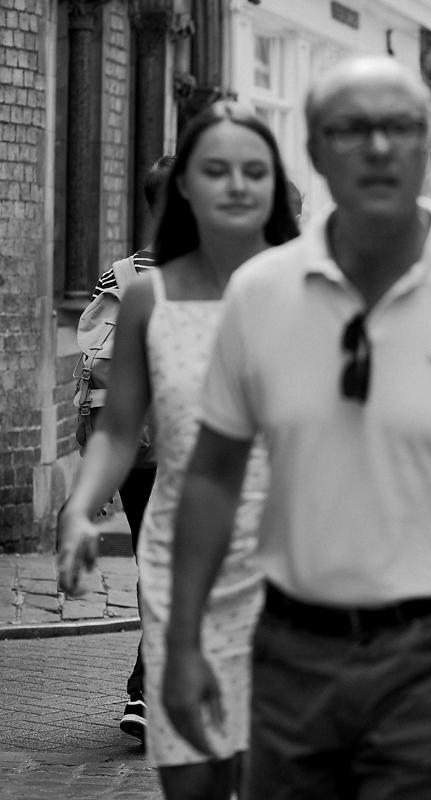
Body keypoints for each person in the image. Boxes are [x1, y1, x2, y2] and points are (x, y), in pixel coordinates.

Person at [161, 57, 431, 799]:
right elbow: (210, 475)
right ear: (313, 147)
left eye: (399, 128)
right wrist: (182, 641)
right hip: (292, 650)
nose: (377, 147)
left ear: (428, 144)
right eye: (351, 129)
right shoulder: (261, 295)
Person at [57, 101, 300, 798]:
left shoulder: (300, 288)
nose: (234, 185)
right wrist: (80, 508)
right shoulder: (147, 293)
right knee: (189, 767)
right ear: (187, 187)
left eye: (253, 170)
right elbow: (117, 424)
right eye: (214, 169)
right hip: (179, 551)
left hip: (281, 553)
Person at [73, 154, 175, 743]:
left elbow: (97, 371)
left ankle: (150, 688)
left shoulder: (119, 275)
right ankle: (147, 689)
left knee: (155, 564)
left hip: (136, 449)